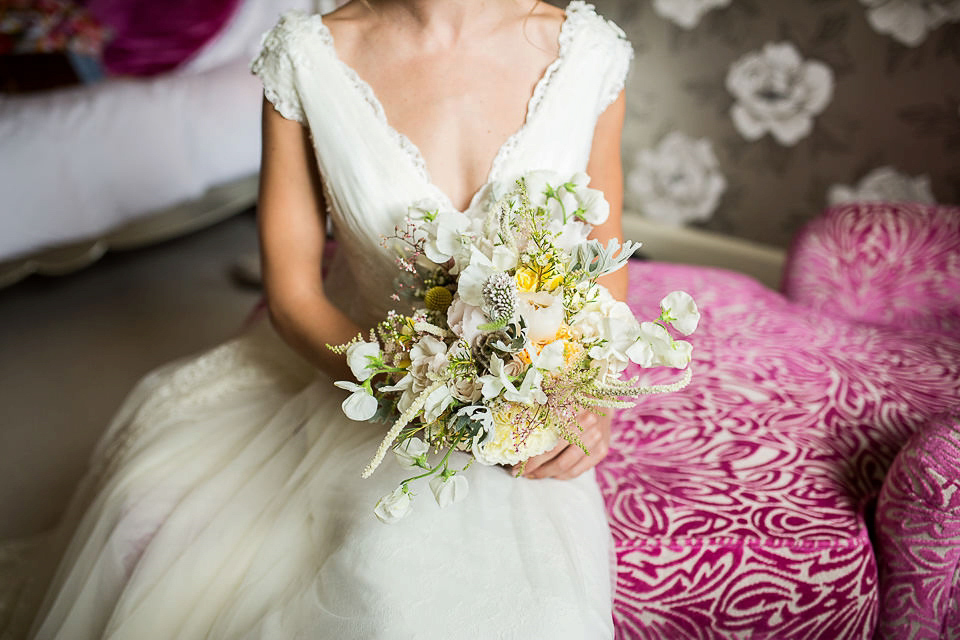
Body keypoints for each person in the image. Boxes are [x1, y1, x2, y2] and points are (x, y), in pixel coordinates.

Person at [5, 0, 633, 637]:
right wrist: (423, 390)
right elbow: (293, 297)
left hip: (529, 408)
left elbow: (604, 260)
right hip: (369, 381)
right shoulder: (306, 58)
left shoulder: (589, 54)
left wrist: (586, 395)